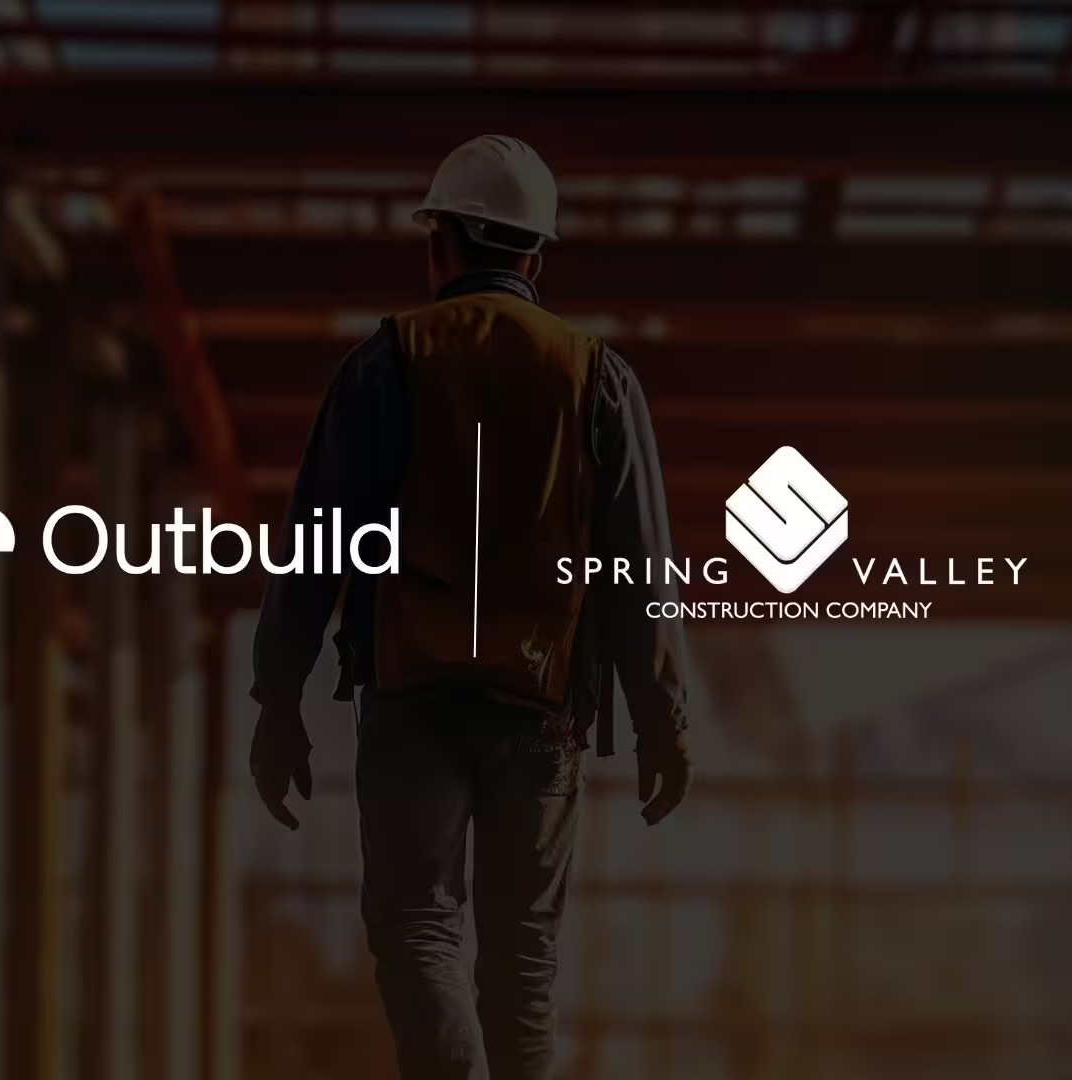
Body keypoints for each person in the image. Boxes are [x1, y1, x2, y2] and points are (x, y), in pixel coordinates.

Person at [249, 134, 691, 1080]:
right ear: (534, 256)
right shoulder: (595, 377)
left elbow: (314, 545)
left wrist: (277, 699)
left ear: (438, 243)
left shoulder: (384, 364)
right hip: (541, 712)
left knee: (418, 930)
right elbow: (638, 569)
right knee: (522, 963)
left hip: (412, 697)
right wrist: (661, 718)